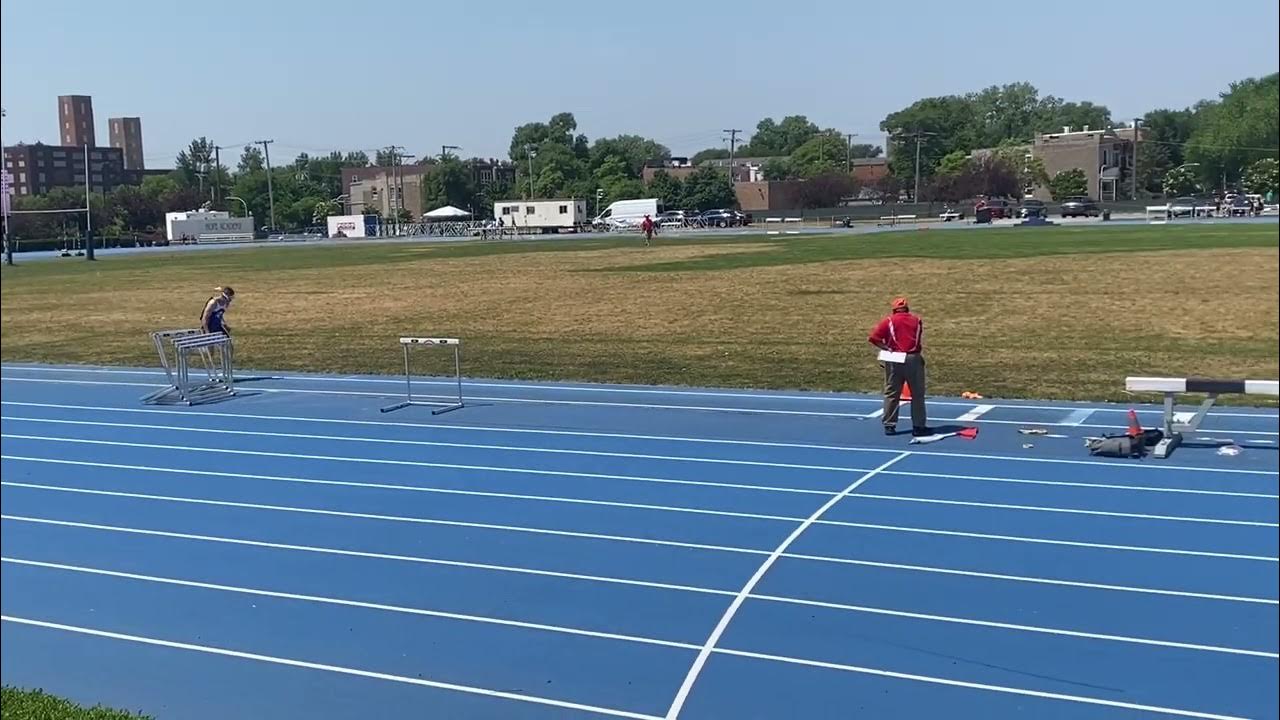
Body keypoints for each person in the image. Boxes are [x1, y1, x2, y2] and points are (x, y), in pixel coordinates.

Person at [868, 296, 929, 436]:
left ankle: (889, 425)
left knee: (892, 393)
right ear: (907, 308)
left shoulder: (889, 321)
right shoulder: (917, 320)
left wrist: (886, 347)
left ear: (894, 309)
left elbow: (874, 338)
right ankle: (919, 426)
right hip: (913, 358)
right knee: (917, 394)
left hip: (894, 358)